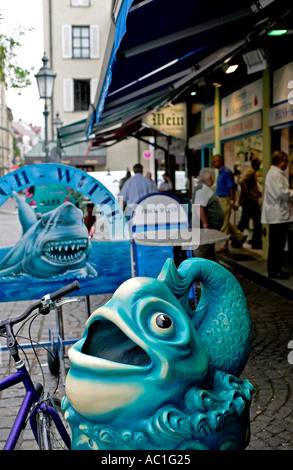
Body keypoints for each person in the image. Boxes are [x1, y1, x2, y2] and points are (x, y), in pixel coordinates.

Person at [261, 150, 293, 279]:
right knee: (276, 245)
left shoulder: (276, 174)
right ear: (281, 161)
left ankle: (276, 269)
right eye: (286, 161)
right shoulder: (274, 175)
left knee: (277, 245)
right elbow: (281, 193)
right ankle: (275, 271)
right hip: (277, 216)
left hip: (279, 215)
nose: (287, 165)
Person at [212, 154, 247, 252]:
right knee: (224, 220)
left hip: (225, 199)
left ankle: (224, 245)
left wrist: (232, 201)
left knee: (224, 223)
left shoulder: (227, 172)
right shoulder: (220, 172)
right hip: (220, 199)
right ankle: (240, 236)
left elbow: (231, 188)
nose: (213, 163)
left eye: (215, 161)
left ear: (220, 161)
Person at [192, 168, 224, 260]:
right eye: (213, 178)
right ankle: (201, 272)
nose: (213, 180)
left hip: (207, 227)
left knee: (208, 250)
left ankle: (211, 270)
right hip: (205, 227)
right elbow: (199, 207)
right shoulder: (202, 188)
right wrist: (205, 223)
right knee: (203, 251)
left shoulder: (202, 187)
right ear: (209, 177)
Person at [237, 157, 262, 249]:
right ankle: (256, 243)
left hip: (250, 200)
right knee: (256, 222)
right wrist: (247, 193)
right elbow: (242, 181)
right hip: (250, 201)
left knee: (244, 221)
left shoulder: (252, 172)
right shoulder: (251, 172)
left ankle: (236, 240)